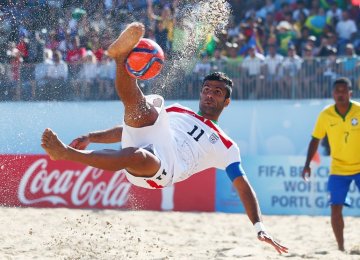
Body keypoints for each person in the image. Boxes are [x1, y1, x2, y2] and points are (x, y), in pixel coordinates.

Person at [41, 22, 288, 254]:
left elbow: (243, 187)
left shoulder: (226, 145)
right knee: (139, 109)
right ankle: (120, 60)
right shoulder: (180, 110)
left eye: (217, 92)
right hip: (156, 137)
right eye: (206, 90)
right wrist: (90, 136)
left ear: (227, 101)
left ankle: (66, 154)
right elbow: (128, 129)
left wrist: (259, 227)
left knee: (135, 155)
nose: (210, 95)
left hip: (166, 166)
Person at [302, 77, 360, 251]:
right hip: (338, 169)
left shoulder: (358, 110)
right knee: (335, 210)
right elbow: (315, 140)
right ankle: (341, 248)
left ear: (350, 93)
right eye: (337, 91)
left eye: (344, 90)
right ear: (333, 94)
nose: (340, 94)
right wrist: (307, 165)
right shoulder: (326, 114)